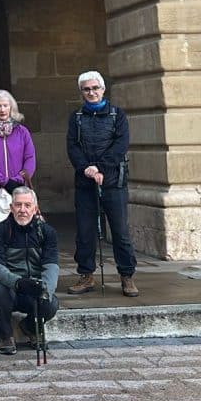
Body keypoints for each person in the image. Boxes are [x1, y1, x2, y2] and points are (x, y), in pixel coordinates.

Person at [66, 71, 138, 297]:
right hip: (85, 182)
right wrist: (86, 167)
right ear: (81, 92)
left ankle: (127, 276)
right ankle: (86, 275)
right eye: (86, 89)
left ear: (103, 89)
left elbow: (120, 145)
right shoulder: (76, 117)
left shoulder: (118, 115)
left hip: (113, 182)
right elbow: (72, 146)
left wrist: (101, 168)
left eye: (95, 88)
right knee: (85, 232)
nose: (91, 92)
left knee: (120, 232)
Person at [0, 186, 59, 355]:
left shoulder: (47, 232)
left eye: (27, 205)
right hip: (10, 287)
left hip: (34, 287)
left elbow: (52, 266)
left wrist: (45, 290)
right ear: (11, 208)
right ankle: (6, 335)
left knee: (51, 302)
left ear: (35, 208)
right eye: (18, 205)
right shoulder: (0, 230)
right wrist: (18, 283)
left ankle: (30, 328)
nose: (23, 210)